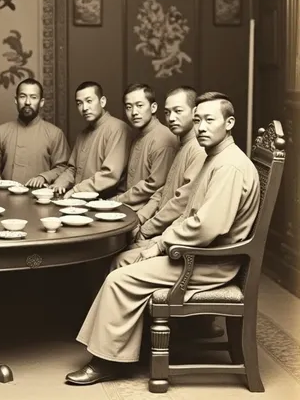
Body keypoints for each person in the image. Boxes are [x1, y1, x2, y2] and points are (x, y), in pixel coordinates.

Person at [66, 91, 260, 386]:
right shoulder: (215, 157)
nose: (202, 127)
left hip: (211, 262)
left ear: (229, 122)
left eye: (210, 120)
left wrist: (159, 244)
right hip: (196, 252)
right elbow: (191, 215)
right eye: (198, 120)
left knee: (120, 280)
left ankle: (107, 362)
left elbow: (205, 227)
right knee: (124, 259)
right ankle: (126, 348)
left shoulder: (229, 165)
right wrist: (154, 243)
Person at [114, 86, 206, 265]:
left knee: (118, 258)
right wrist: (141, 218)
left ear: (195, 112)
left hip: (173, 238)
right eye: (168, 112)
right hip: (160, 228)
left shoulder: (197, 148)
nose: (171, 118)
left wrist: (145, 230)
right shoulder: (183, 143)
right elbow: (164, 190)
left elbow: (181, 203)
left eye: (178, 111)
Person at [0, 78, 70, 188]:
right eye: (23, 96)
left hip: (40, 199)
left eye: (33, 97)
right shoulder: (0, 132)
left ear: (41, 102)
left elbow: (63, 168)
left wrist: (43, 177)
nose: (27, 102)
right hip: (5, 197)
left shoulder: (55, 134)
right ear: (16, 100)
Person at [51, 81, 130, 198]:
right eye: (79, 103)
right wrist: (60, 182)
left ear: (102, 101)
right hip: (80, 201)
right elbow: (73, 169)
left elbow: (110, 175)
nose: (84, 108)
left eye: (89, 101)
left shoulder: (118, 128)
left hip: (106, 204)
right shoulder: (82, 134)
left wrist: (76, 190)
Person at [112, 84, 179, 211]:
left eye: (140, 105)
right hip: (129, 209)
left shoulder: (163, 138)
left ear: (153, 107)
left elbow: (154, 186)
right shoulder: (139, 135)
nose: (134, 112)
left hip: (148, 213)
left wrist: (116, 200)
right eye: (128, 107)